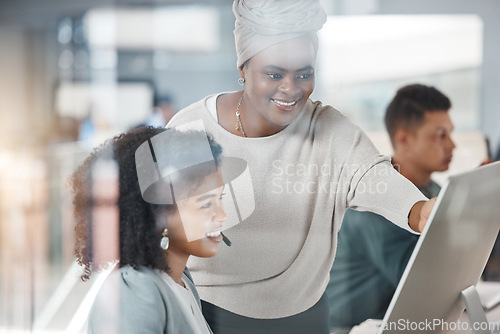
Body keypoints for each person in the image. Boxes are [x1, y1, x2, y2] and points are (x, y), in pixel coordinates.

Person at [165, 1, 436, 333]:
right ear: (243, 68)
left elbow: (373, 176)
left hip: (303, 316)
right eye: (274, 74)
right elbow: (149, 226)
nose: (291, 89)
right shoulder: (189, 129)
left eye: (304, 74)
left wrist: (420, 210)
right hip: (205, 315)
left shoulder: (330, 130)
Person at [70, 126, 229, 333]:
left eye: (220, 198)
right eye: (206, 204)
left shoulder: (181, 281)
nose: (223, 215)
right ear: (157, 214)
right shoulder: (134, 291)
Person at [326, 84, 455, 329]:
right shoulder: (376, 201)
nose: (452, 145)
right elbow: (426, 282)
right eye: (440, 135)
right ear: (404, 139)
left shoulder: (432, 190)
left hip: (395, 322)